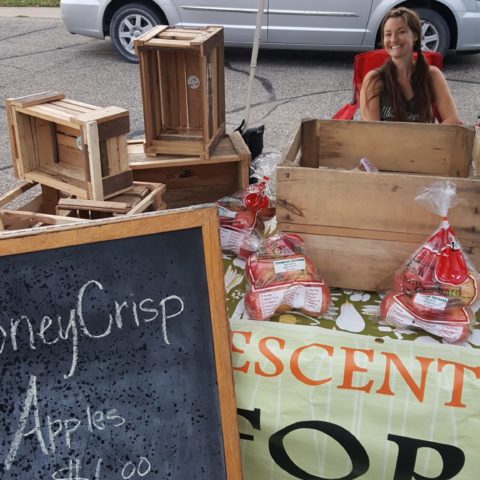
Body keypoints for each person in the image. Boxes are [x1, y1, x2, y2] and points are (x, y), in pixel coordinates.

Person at [360, 7, 460, 124]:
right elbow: (371, 131)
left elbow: (452, 120)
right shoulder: (374, 79)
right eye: (388, 34)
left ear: (416, 36)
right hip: (385, 142)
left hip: (426, 141)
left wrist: (430, 140)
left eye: (401, 32)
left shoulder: (432, 75)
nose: (393, 39)